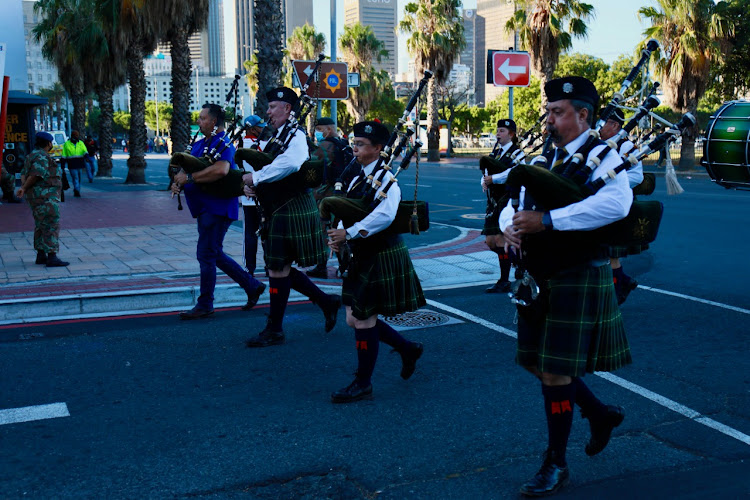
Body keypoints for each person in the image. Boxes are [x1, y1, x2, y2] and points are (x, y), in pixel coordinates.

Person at [500, 76, 632, 497]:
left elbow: (616, 204)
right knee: (536, 363)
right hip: (538, 275)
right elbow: (512, 203)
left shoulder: (602, 156)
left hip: (577, 272)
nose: (550, 120)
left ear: (583, 115)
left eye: (558, 112)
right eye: (549, 111)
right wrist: (512, 227)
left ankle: (555, 462)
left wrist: (550, 221)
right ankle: (598, 412)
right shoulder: (546, 159)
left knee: (556, 373)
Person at [326, 121, 425, 403]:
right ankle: (407, 348)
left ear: (378, 149)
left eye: (360, 145)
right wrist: (339, 236)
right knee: (352, 318)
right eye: (354, 143)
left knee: (363, 319)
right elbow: (349, 208)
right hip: (361, 253)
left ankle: (363, 382)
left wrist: (350, 233)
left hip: (380, 252)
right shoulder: (358, 176)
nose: (354, 149)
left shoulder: (386, 179)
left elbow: (385, 216)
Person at [241, 87, 341, 347]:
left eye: (273, 107)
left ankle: (275, 328)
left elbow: (291, 163)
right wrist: (255, 184)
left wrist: (257, 178)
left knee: (278, 268)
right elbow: (271, 165)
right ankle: (324, 302)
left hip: (291, 207)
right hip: (279, 208)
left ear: (287, 109)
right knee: (278, 267)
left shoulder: (295, 135)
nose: (268, 111)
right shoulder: (280, 135)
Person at [170, 103, 266, 320]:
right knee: (213, 253)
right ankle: (252, 285)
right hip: (204, 208)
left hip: (217, 207)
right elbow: (188, 167)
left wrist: (190, 179)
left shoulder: (223, 143)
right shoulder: (202, 143)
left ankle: (205, 304)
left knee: (206, 254)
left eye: (203, 118)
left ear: (214, 122)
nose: (199, 121)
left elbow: (222, 169)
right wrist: (178, 182)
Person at [599, 108, 642, 305]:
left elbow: (637, 176)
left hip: (618, 203)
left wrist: (610, 180)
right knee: (607, 251)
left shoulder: (626, 146)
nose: (598, 126)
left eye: (603, 122)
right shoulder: (601, 145)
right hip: (601, 202)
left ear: (615, 125)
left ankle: (617, 288)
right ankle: (623, 281)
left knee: (611, 253)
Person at [307, 116, 354, 278]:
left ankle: (321, 266)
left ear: (328, 129)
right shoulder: (343, 144)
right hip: (343, 194)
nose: (317, 133)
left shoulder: (325, 146)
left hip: (326, 196)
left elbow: (312, 165)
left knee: (324, 231)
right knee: (339, 230)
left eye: (319, 130)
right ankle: (345, 265)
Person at [481, 119, 523, 294]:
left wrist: (494, 179)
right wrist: (484, 181)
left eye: (502, 131)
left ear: (511, 134)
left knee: (499, 240)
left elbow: (514, 172)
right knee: (491, 242)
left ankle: (504, 280)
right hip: (493, 200)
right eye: (497, 131)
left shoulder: (517, 153)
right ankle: (519, 263)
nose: (498, 134)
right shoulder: (495, 153)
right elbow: (485, 171)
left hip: (507, 198)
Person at [16, 131, 69, 267]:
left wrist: (24, 187)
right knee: (51, 224)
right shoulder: (41, 157)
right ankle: (52, 256)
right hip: (45, 197)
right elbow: (36, 175)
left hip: (37, 197)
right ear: (48, 143)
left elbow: (23, 173)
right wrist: (25, 188)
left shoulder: (31, 155)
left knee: (40, 224)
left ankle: (41, 254)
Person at [240, 114, 267, 275]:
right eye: (259, 126)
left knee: (250, 234)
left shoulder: (239, 145)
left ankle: (249, 268)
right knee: (265, 233)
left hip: (248, 197)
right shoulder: (266, 144)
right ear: (251, 128)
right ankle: (269, 265)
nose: (262, 128)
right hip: (263, 196)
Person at [61, 130, 88, 197]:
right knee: (75, 177)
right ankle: (77, 190)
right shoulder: (67, 144)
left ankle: (77, 188)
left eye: (77, 135)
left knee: (78, 177)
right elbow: (64, 155)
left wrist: (87, 156)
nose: (76, 137)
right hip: (72, 164)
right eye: (74, 135)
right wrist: (63, 165)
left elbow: (84, 151)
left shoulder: (80, 143)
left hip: (79, 163)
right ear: (72, 136)